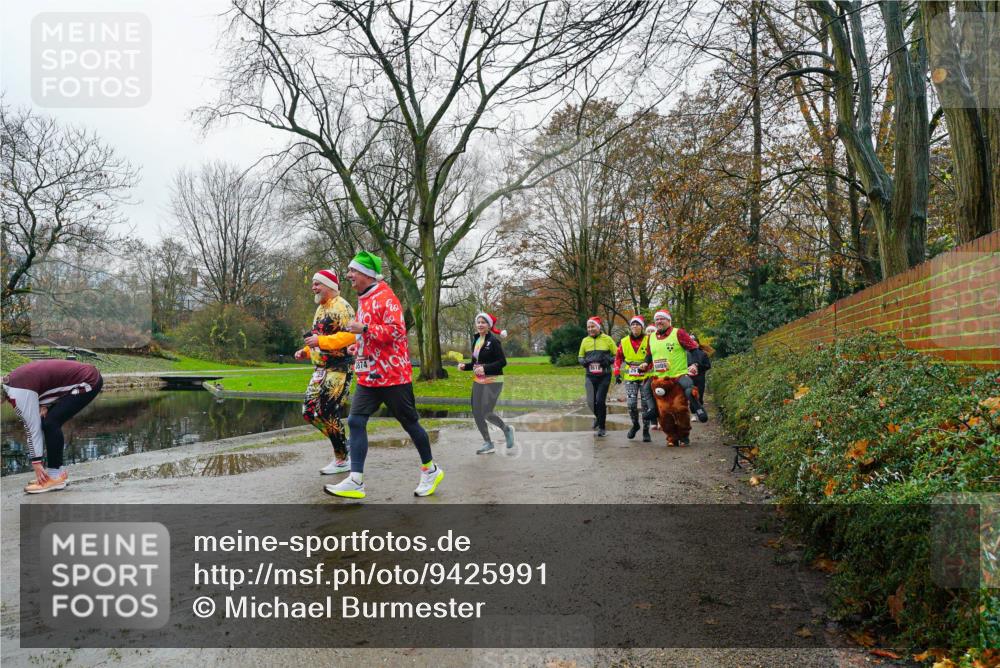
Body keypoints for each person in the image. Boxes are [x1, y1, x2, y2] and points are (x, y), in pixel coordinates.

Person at [325, 251, 444, 499]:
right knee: (356, 421)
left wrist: (365, 328)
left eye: (353, 271)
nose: (348, 276)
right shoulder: (364, 299)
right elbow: (367, 335)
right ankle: (356, 480)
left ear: (367, 275)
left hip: (393, 376)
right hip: (369, 377)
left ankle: (430, 470)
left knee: (410, 424)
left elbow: (397, 332)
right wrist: (356, 345)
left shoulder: (387, 298)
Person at [2, 359, 103, 494]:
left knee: (51, 423)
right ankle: (58, 473)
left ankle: (55, 478)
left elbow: (32, 430)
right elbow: (42, 384)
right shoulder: (10, 383)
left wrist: (36, 463)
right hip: (84, 376)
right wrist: (44, 404)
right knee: (49, 422)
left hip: (88, 381)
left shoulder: (17, 392)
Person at [295, 269, 358, 476]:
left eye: (317, 284)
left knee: (327, 410)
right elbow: (317, 336)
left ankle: (342, 458)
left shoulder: (343, 306)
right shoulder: (321, 308)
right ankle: (343, 444)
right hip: (320, 368)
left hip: (340, 367)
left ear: (330, 286)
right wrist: (305, 351)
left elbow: (351, 337)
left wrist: (319, 341)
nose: (313, 287)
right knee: (308, 412)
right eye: (313, 284)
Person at [640, 311, 708, 442]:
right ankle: (653, 410)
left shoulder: (678, 333)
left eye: (662, 319)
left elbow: (694, 349)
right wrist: (645, 362)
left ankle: (698, 409)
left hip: (678, 375)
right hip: (659, 378)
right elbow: (649, 354)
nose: (659, 322)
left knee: (687, 391)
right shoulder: (651, 337)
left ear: (669, 321)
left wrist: (695, 364)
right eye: (657, 319)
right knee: (647, 389)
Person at [458, 312, 515, 455]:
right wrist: (465, 366)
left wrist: (485, 368)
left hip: (494, 380)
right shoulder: (476, 341)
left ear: (489, 326)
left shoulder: (493, 341)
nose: (480, 325)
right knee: (477, 412)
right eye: (478, 322)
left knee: (486, 412)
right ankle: (488, 443)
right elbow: (475, 363)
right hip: (479, 381)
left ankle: (506, 429)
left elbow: (502, 362)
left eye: (483, 322)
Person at [613, 315, 653, 442]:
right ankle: (635, 425)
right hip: (630, 375)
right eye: (633, 324)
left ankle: (646, 431)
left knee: (646, 405)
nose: (635, 326)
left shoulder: (649, 340)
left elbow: (653, 355)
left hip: (646, 375)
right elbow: (618, 357)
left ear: (642, 327)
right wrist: (617, 372)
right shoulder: (624, 341)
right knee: (631, 405)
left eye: (637, 324)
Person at [577, 316, 617, 437]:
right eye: (588, 327)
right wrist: (582, 361)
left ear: (598, 327)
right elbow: (580, 356)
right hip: (590, 375)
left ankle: (602, 427)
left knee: (600, 401)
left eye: (592, 326)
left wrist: (608, 360)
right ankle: (598, 417)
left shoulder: (607, 339)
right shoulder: (585, 340)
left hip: (604, 375)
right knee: (590, 402)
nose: (590, 329)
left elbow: (617, 355)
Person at [688, 334, 712, 414]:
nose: (693, 344)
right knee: (691, 394)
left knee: (700, 395)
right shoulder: (685, 354)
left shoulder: (703, 354)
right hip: (689, 378)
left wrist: (698, 366)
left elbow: (708, 366)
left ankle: (700, 409)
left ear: (698, 344)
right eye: (691, 342)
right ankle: (694, 413)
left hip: (700, 378)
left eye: (695, 342)